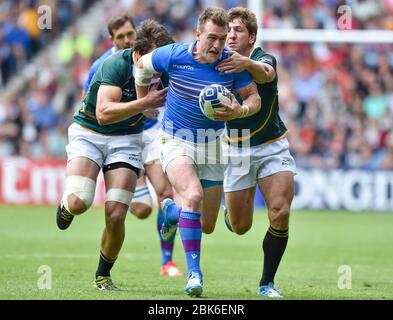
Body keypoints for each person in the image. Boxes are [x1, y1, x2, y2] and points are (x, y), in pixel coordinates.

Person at [135, 7, 261, 297]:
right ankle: (194, 274)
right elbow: (141, 64)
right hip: (175, 140)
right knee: (192, 195)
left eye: (222, 38)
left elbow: (253, 97)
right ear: (197, 35)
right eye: (212, 38)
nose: (217, 45)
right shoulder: (173, 55)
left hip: (213, 144)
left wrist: (240, 110)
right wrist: (145, 102)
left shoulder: (230, 64)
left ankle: (171, 212)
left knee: (207, 225)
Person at [56, 20, 174, 291]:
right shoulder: (115, 65)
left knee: (117, 214)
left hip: (127, 140)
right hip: (90, 133)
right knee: (79, 201)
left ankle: (103, 275)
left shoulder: (164, 69)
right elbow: (103, 113)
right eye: (154, 57)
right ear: (137, 54)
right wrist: (144, 104)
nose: (159, 64)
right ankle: (66, 205)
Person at [83, 16, 182, 277]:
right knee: (142, 209)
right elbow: (91, 103)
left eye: (130, 34)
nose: (126, 39)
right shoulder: (105, 65)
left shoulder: (156, 57)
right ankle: (131, 183)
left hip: (152, 132)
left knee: (166, 193)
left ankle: (167, 261)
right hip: (123, 135)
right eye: (120, 36)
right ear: (112, 40)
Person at [215, 7, 296, 298]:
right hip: (236, 148)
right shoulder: (216, 62)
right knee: (240, 227)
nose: (232, 35)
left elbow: (266, 74)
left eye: (238, 30)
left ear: (252, 37)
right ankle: (229, 212)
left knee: (280, 211)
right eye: (229, 30)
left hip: (273, 145)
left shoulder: (262, 59)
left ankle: (267, 283)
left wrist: (245, 63)